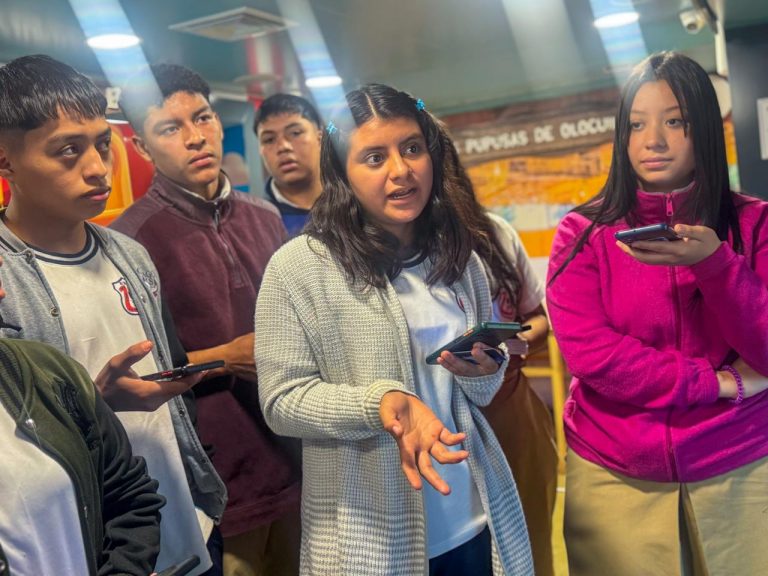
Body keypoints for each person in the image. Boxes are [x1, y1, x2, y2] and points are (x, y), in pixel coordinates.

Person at [255, 83, 533, 576]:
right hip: (367, 536)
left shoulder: (458, 257)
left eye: (411, 148)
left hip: (472, 514)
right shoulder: (299, 267)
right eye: (374, 157)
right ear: (342, 171)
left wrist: (485, 368)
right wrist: (381, 402)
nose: (401, 170)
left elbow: (480, 391)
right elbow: (282, 401)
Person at [0, 54, 226, 576]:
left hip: (188, 525)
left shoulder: (130, 255)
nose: (98, 167)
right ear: (5, 162)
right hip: (96, 551)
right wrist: (95, 403)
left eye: (102, 144)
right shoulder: (6, 280)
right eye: (68, 151)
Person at [546, 51, 768, 575]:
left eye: (675, 122)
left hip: (742, 461)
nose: (654, 141)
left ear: (705, 129)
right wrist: (718, 383)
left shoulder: (754, 224)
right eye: (637, 124)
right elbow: (594, 357)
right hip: (615, 470)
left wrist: (716, 264)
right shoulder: (581, 233)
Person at [113, 63, 301, 576]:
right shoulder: (130, 241)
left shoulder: (265, 216)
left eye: (202, 118)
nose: (195, 137)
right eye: (170, 128)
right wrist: (225, 358)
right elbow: (135, 375)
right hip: (220, 486)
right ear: (142, 147)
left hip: (299, 461)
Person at [444, 144, 557, 576]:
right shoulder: (391, 250)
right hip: (441, 418)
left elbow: (537, 317)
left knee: (531, 544)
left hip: (511, 407)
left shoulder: (494, 233)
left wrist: (508, 342)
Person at [254, 93, 323, 236]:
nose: (283, 147)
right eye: (269, 140)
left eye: (295, 133)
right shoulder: (255, 225)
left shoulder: (359, 200)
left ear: (320, 139)